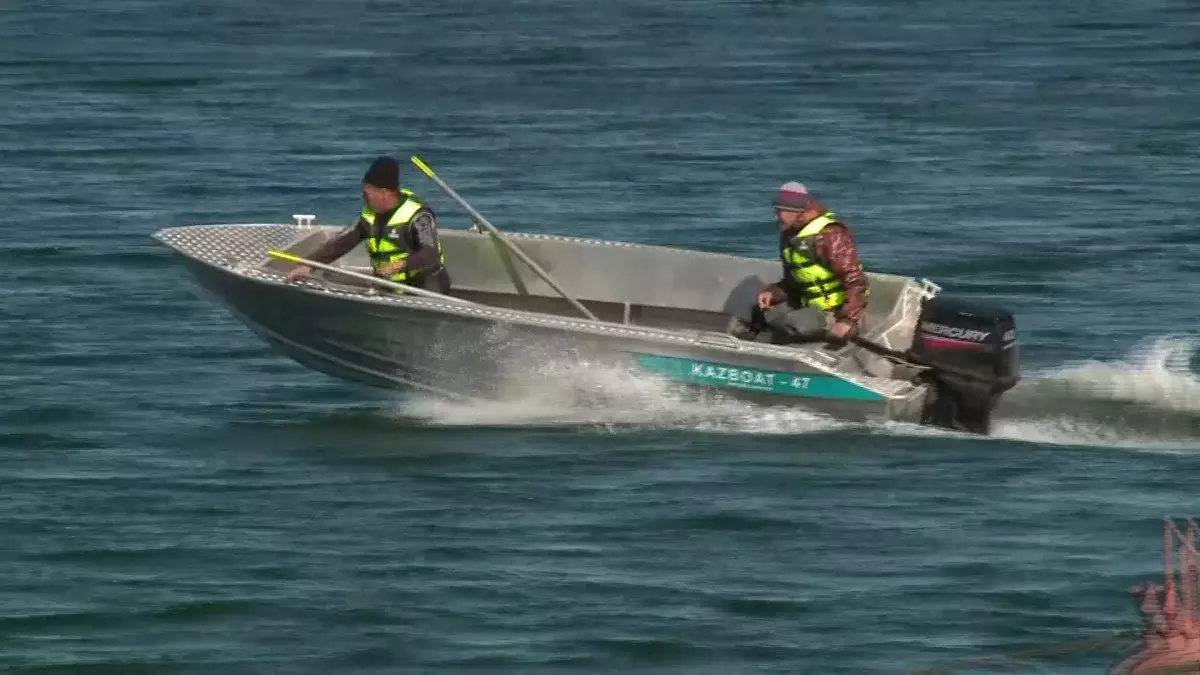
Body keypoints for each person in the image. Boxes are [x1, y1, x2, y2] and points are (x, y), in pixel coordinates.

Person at [284, 156, 451, 294]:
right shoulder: (369, 216)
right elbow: (341, 243)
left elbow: (430, 254)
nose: (364, 198)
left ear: (384, 193)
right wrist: (309, 265)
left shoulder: (418, 215)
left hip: (424, 287)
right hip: (389, 286)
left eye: (367, 194)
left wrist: (396, 267)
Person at [728, 181, 869, 344]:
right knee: (760, 311)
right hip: (808, 306)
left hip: (835, 312)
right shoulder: (789, 235)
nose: (776, 216)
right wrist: (774, 292)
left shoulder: (830, 235)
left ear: (795, 211)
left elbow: (855, 280)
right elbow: (793, 282)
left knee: (792, 323)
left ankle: (767, 342)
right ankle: (753, 341)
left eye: (780, 211)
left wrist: (848, 320)